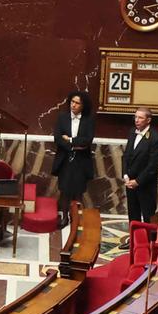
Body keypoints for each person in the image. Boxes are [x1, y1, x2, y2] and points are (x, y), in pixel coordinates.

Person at [51, 90, 96, 226]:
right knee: (64, 190)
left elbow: (87, 141)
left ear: (83, 106)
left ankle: (77, 218)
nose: (74, 105)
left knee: (78, 191)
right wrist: (73, 146)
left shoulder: (88, 120)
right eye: (72, 102)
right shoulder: (62, 117)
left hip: (81, 161)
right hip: (65, 160)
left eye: (77, 103)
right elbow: (58, 139)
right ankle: (64, 216)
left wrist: (69, 140)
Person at [121, 106, 158, 224]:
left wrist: (137, 181)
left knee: (148, 217)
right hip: (130, 183)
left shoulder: (155, 139)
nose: (136, 120)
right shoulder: (132, 132)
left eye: (140, 118)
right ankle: (135, 240)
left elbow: (152, 166)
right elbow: (126, 155)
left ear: (148, 120)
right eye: (135, 117)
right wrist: (125, 175)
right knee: (133, 216)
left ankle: (148, 242)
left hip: (145, 186)